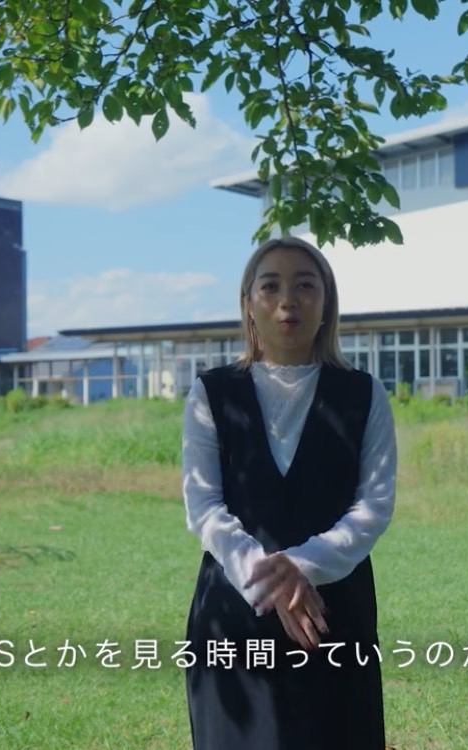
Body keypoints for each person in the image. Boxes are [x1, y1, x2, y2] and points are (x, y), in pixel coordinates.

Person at [181, 235, 398, 750]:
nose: (288, 300)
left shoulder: (363, 393)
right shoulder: (212, 393)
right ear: (248, 304)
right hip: (234, 612)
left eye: (305, 286)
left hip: (331, 611)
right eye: (271, 286)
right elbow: (204, 506)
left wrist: (302, 568)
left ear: (327, 302)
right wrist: (271, 581)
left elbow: (373, 505)